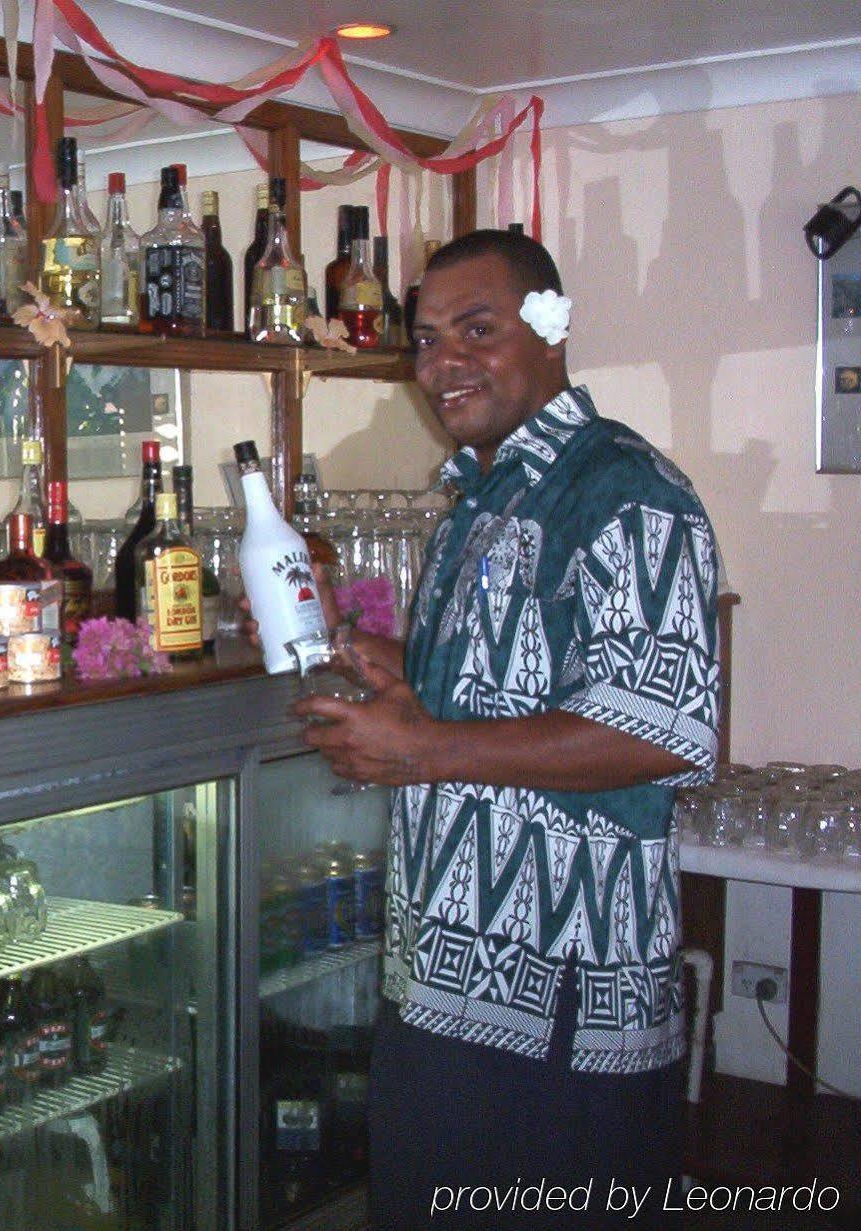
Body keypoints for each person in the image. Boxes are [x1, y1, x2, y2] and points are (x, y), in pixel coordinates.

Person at [248, 230, 720, 1229]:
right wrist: (383, 658)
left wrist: (420, 749)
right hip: (441, 981)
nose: (441, 363)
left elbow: (660, 729)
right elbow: (507, 694)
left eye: (476, 329)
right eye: (424, 340)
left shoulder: (624, 493)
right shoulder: (479, 494)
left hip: (562, 1001)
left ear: (549, 330)